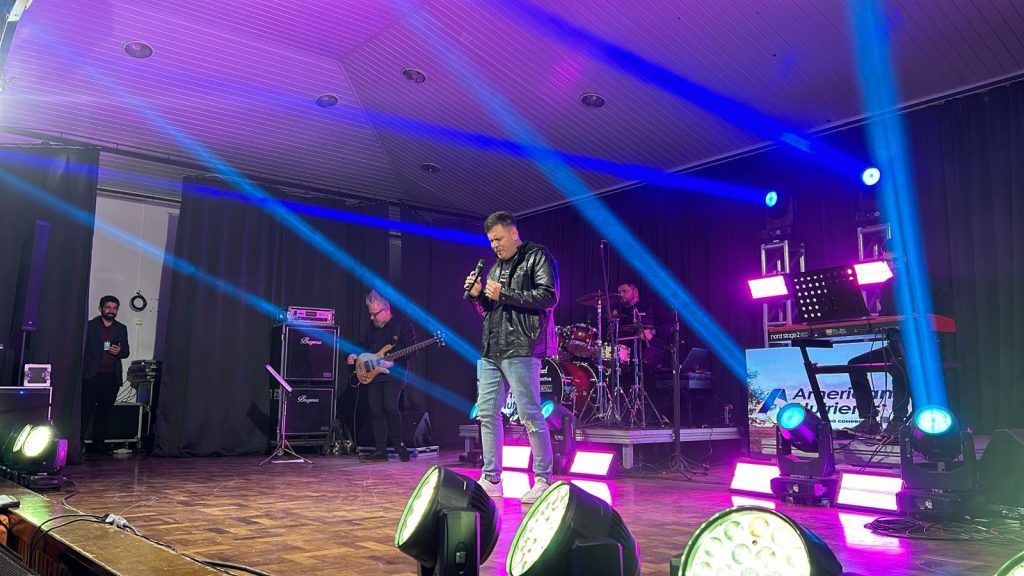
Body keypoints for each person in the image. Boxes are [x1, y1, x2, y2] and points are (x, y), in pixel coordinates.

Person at [465, 211, 559, 504]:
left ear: (513, 233)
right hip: (492, 349)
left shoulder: (537, 256)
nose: (494, 245)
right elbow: (490, 310)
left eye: (498, 239)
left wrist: (504, 293)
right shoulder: (494, 268)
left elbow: (549, 296)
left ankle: (543, 479)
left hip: (522, 346)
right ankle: (492, 477)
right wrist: (478, 296)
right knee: (486, 413)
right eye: (491, 241)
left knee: (529, 413)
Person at [347, 290, 416, 462]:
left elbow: (412, 350)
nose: (372, 318)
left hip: (395, 373)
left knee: (390, 406)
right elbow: (365, 346)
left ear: (385, 311)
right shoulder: (372, 327)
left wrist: (394, 362)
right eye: (370, 314)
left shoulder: (402, 325)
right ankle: (380, 450)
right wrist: (355, 354)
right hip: (374, 373)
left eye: (374, 314)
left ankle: (399, 444)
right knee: (376, 410)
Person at [846, 251, 909, 438]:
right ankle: (869, 421)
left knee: (898, 363)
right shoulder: (888, 285)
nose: (891, 265)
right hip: (895, 344)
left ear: (907, 257)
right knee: (855, 365)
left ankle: (898, 421)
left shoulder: (921, 282)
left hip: (919, 348)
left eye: (895, 260)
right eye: (887, 261)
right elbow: (884, 316)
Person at [81, 295, 131, 454]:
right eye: (108, 307)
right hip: (92, 376)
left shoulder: (121, 328)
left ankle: (98, 446)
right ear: (100, 308)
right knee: (85, 412)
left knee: (104, 413)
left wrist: (120, 351)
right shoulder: (90, 326)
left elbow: (126, 352)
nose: (111, 311)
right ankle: (78, 444)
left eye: (114, 308)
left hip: (111, 378)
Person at [613, 282, 671, 370]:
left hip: (651, 345)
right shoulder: (621, 312)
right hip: (628, 350)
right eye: (619, 292)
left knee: (644, 362)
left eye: (624, 291)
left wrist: (652, 332)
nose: (621, 295)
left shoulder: (650, 305)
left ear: (635, 292)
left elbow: (671, 324)